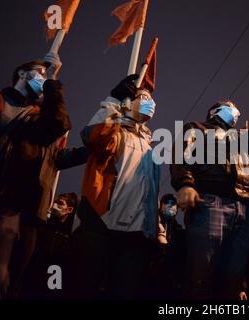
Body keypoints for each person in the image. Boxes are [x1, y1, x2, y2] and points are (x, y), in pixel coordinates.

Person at [170, 62, 249, 299]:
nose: (235, 112)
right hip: (210, 204)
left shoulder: (241, 139)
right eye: (230, 108)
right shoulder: (198, 129)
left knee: (233, 275)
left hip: (244, 209)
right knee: (202, 272)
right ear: (215, 111)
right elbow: (179, 154)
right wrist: (185, 183)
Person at [0, 52, 86, 299]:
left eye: (44, 75)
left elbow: (59, 124)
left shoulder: (35, 118)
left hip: (12, 207)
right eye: (38, 73)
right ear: (21, 73)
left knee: (6, 279)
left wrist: (51, 85)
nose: (42, 77)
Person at [67, 75, 160, 299]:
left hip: (135, 236)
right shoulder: (115, 133)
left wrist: (152, 231)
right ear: (128, 103)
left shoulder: (150, 147)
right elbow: (94, 138)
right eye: (144, 97)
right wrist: (113, 100)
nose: (151, 103)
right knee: (86, 288)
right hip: (102, 226)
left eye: (152, 99)